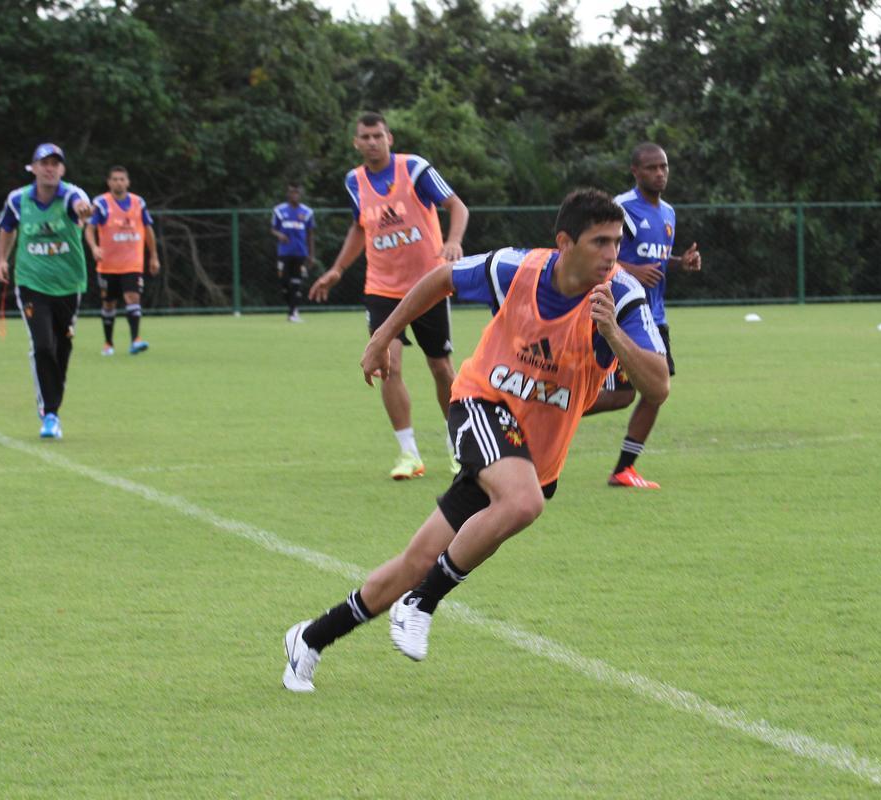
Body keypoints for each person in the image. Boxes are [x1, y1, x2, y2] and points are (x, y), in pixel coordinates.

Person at [282, 188, 669, 692]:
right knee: (524, 502)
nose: (612, 254)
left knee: (417, 560)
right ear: (565, 242)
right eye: (599, 242)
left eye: (617, 242)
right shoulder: (517, 269)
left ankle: (309, 639)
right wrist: (382, 336)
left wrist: (613, 334)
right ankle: (423, 601)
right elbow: (441, 277)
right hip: (478, 404)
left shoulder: (622, 299)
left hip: (528, 450)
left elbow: (658, 385)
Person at [308, 111, 470, 480]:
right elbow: (358, 227)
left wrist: (454, 241)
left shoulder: (414, 169)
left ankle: (457, 447)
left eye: (377, 135)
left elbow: (457, 206)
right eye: (364, 137)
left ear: (389, 138)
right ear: (356, 142)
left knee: (441, 367)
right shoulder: (354, 181)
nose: (371, 142)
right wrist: (337, 269)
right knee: (387, 365)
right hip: (381, 288)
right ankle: (409, 454)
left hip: (428, 283)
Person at [585, 143, 701, 489]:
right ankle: (547, 409)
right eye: (652, 168)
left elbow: (656, 261)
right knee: (625, 396)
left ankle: (624, 469)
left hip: (656, 317)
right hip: (626, 316)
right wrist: (633, 270)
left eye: (664, 166)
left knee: (653, 392)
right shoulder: (622, 208)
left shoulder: (668, 213)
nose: (660, 173)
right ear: (635, 171)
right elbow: (594, 253)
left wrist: (681, 263)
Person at [0, 143, 94, 438]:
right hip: (31, 285)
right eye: (44, 163)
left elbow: (80, 205)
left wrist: (83, 210)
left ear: (62, 169)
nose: (50, 168)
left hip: (68, 285)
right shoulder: (18, 200)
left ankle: (53, 404)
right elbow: (7, 227)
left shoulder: (70, 196)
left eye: (55, 163)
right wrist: (2, 259)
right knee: (42, 345)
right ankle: (49, 413)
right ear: (34, 168)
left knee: (62, 347)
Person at [84, 165, 160, 355]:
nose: (119, 182)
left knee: (132, 297)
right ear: (109, 182)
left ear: (128, 182)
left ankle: (136, 340)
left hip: (132, 263)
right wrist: (94, 247)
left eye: (122, 179)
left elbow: (148, 229)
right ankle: (108, 343)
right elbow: (89, 228)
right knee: (109, 303)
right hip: (108, 265)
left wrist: (154, 256)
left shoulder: (138, 203)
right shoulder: (101, 203)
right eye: (115, 179)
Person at [270, 182, 315, 322]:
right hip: (284, 252)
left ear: (300, 194)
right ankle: (291, 309)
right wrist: (279, 235)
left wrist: (311, 255)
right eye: (291, 192)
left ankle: (293, 312)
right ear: (288, 194)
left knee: (296, 283)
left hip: (300, 253)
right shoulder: (279, 210)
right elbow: (273, 229)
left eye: (296, 192)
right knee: (284, 283)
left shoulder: (307, 212)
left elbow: (310, 234)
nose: (294, 195)